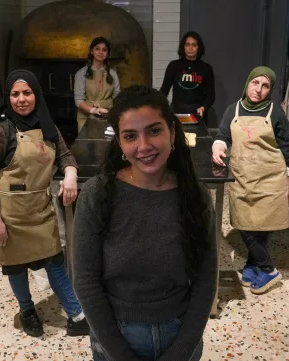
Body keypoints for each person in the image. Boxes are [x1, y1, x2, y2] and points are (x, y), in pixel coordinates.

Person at [73, 85, 217, 361]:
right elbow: (86, 281)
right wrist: (121, 354)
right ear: (120, 144)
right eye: (130, 136)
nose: (144, 146)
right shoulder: (98, 194)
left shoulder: (194, 195)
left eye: (154, 130)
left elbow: (205, 279)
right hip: (115, 338)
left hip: (180, 335)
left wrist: (181, 350)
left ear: (172, 133)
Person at [0, 69, 89, 337]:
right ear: (9, 97)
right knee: (15, 265)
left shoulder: (48, 128)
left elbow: (66, 157)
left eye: (27, 93)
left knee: (54, 262)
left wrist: (71, 175)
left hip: (40, 210)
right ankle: (27, 310)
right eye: (15, 94)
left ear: (36, 95)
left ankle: (77, 315)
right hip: (10, 216)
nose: (21, 99)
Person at [211, 66, 289, 295]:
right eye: (255, 83)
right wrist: (218, 147)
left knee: (262, 225)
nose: (258, 90)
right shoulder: (233, 110)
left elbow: (288, 148)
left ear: (269, 90)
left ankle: (258, 266)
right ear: (247, 83)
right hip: (242, 177)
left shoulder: (275, 113)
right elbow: (222, 136)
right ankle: (266, 267)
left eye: (265, 85)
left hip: (270, 177)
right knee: (244, 223)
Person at [159, 31, 215, 124]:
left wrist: (203, 107)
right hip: (177, 112)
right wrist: (160, 108)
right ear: (183, 47)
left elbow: (211, 96)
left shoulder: (206, 68)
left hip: (198, 113)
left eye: (194, 45)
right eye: (187, 44)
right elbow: (164, 91)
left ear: (198, 48)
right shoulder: (174, 66)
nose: (190, 48)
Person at [74, 36, 121, 133]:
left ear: (107, 54)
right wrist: (94, 110)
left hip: (107, 116)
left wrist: (112, 113)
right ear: (92, 51)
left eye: (104, 50)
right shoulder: (81, 74)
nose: (100, 52)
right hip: (86, 117)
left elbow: (117, 97)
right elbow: (78, 100)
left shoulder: (112, 74)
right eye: (97, 49)